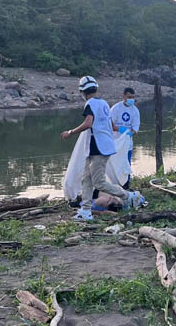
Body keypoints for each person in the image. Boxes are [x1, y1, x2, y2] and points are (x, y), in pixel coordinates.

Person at [61, 76, 144, 221]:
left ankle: (129, 196)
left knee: (98, 182)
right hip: (97, 147)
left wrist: (70, 132)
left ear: (83, 92)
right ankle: (86, 211)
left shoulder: (90, 104)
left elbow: (88, 123)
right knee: (86, 179)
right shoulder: (104, 103)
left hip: (99, 148)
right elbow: (110, 125)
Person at [111, 87, 140, 189]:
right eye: (129, 97)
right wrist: (119, 129)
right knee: (114, 165)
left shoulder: (135, 111)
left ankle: (126, 186)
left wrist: (129, 133)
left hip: (127, 145)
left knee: (126, 165)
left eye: (133, 97)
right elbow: (109, 125)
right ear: (123, 96)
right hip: (115, 144)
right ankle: (113, 186)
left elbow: (135, 129)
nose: (131, 99)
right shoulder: (116, 109)